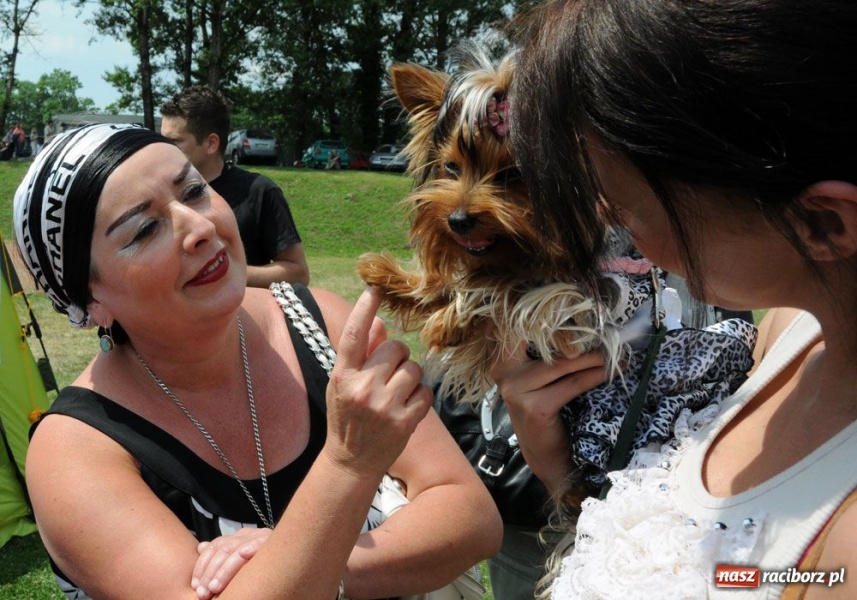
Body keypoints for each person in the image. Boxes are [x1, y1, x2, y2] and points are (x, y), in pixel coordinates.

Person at [13, 123, 502, 600]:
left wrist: (323, 566)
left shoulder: (320, 325)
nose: (201, 227)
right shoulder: (74, 451)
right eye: (144, 229)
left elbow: (472, 518)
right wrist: (348, 465)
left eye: (194, 191)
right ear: (89, 299)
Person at [497, 1, 857, 597]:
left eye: (627, 206)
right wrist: (557, 464)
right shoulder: (790, 335)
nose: (607, 219)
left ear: (823, 226)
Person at [160, 85, 310, 288]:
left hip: (241, 317)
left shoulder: (258, 191)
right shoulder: (162, 194)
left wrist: (223, 272)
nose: (163, 149)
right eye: (161, 140)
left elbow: (298, 272)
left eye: (174, 141)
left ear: (211, 144)